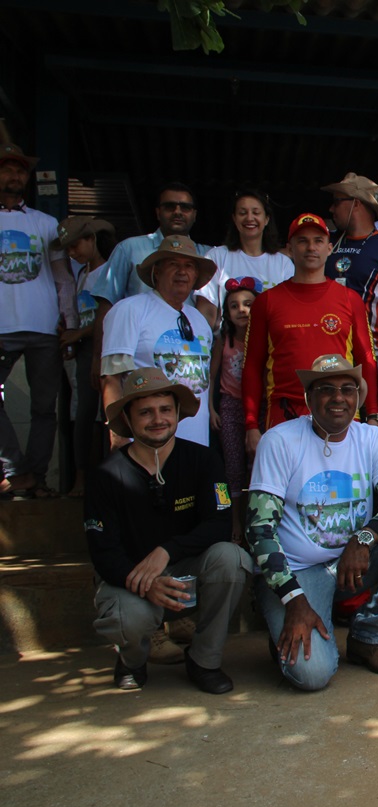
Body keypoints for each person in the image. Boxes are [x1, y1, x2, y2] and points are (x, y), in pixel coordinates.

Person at [248, 354, 378, 690]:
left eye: (348, 389)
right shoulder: (279, 440)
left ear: (358, 398)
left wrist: (364, 538)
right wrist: (294, 600)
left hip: (351, 564)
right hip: (296, 574)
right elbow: (259, 530)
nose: (338, 398)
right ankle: (286, 621)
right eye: (326, 389)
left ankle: (368, 637)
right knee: (312, 676)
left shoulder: (369, 438)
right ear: (309, 397)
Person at [84, 368, 250, 692]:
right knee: (125, 617)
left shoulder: (203, 460)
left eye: (165, 409)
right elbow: (102, 550)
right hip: (131, 578)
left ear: (177, 413)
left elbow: (219, 524)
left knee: (232, 559)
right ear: (128, 418)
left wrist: (168, 550)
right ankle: (132, 659)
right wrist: (144, 583)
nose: (157, 419)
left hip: (185, 571)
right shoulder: (106, 474)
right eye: (145, 412)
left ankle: (204, 660)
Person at [241, 213, 378, 456]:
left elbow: (366, 359)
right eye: (302, 241)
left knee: (341, 479)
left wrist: (373, 415)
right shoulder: (267, 301)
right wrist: (251, 424)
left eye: (318, 241)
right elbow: (252, 365)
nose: (311, 247)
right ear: (289, 249)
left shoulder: (350, 299)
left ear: (329, 248)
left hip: (341, 413)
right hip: (284, 415)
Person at [0, 142, 76, 498]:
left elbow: (64, 278)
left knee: (45, 409)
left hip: (44, 329)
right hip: (2, 328)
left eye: (20, 170)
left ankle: (37, 478)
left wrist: (70, 324)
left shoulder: (46, 224)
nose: (15, 175)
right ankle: (16, 470)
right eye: (7, 168)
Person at [100, 236, 215, 447]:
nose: (182, 272)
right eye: (173, 264)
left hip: (196, 444)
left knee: (206, 472)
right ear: (157, 271)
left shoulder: (199, 320)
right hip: (145, 445)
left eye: (189, 266)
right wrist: (119, 437)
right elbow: (111, 377)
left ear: (196, 275)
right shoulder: (129, 310)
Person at [53, 216, 116, 498]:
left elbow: (108, 316)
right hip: (82, 352)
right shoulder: (81, 275)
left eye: (75, 245)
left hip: (103, 349)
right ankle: (81, 478)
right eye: (66, 249)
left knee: (103, 415)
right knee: (83, 414)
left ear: (92, 239)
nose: (71, 253)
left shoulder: (110, 273)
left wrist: (79, 334)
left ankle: (99, 480)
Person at [322, 172, 378, 348]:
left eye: (337, 202)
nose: (331, 209)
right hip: (326, 348)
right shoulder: (325, 242)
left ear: (356, 203)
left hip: (370, 352)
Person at [95, 181, 209, 306]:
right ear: (158, 213)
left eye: (185, 207)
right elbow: (106, 301)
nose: (177, 212)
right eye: (169, 206)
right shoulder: (129, 248)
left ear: (194, 215)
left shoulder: (208, 255)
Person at [194, 188, 294, 330]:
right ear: (234, 219)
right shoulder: (217, 256)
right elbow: (206, 312)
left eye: (256, 212)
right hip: (227, 342)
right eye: (242, 213)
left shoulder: (283, 263)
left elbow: (289, 312)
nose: (249, 218)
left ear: (266, 219)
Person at [209, 276, 260, 542]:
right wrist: (211, 409)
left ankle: (255, 522)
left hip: (258, 409)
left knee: (256, 466)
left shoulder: (263, 339)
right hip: (229, 407)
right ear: (226, 313)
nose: (242, 310)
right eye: (234, 306)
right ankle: (233, 520)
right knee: (232, 468)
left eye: (248, 304)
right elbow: (211, 376)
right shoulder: (224, 340)